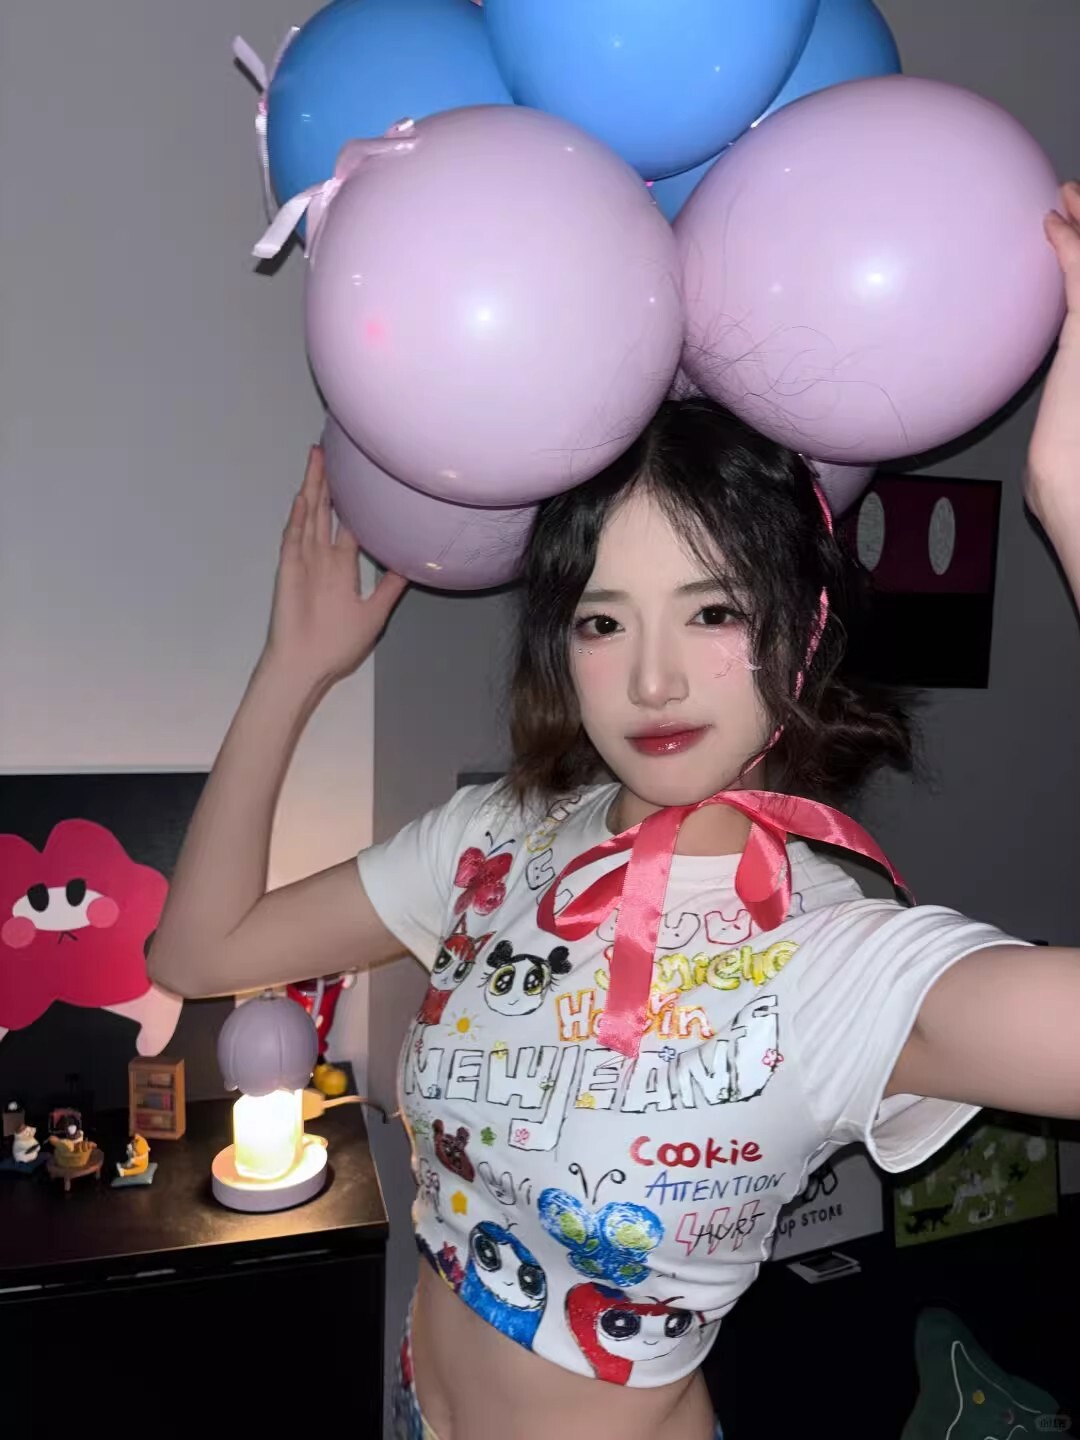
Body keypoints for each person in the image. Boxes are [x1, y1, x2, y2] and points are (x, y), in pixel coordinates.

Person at [149, 183, 1080, 1440]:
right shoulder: (495, 841)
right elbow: (197, 952)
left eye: (712, 612)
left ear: (803, 628)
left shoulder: (831, 958)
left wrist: (1071, 507)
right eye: (602, 620)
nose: (651, 681)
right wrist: (293, 671)